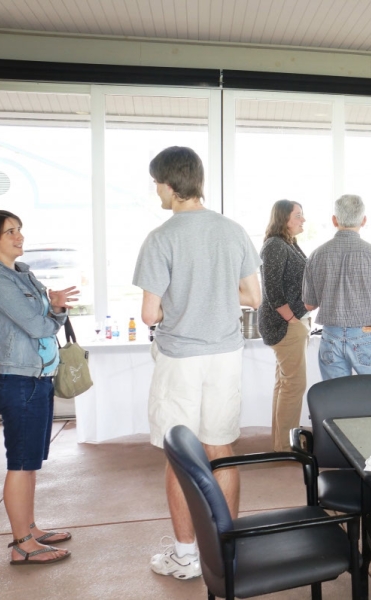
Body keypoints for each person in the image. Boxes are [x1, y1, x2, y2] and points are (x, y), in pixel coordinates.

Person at [133, 146, 261, 580]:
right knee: (221, 450)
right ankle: (228, 549)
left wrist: (184, 304)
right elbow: (253, 298)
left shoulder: (162, 238)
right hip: (225, 355)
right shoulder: (232, 230)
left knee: (179, 458)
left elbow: (150, 315)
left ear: (170, 185)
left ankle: (187, 556)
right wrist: (211, 299)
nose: (156, 192)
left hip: (181, 359)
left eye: (157, 183)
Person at [0, 209, 77, 566]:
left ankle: (30, 529)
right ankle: (22, 543)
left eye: (19, 229)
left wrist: (54, 308)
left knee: (30, 462)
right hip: (17, 381)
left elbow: (49, 316)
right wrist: (50, 312)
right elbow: (38, 327)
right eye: (10, 232)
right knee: (20, 464)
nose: (19, 236)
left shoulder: (22, 273)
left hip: (36, 380)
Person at [303, 194, 371, 379]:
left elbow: (309, 305)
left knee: (336, 400)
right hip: (366, 335)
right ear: (364, 220)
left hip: (330, 335)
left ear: (334, 220)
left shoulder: (317, 254)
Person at [258, 200, 309, 452]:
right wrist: (292, 319)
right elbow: (272, 291)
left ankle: (281, 444)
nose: (303, 220)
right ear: (283, 219)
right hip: (282, 324)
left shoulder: (288, 243)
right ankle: (287, 449)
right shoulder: (275, 246)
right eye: (298, 215)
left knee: (285, 383)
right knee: (293, 385)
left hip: (288, 322)